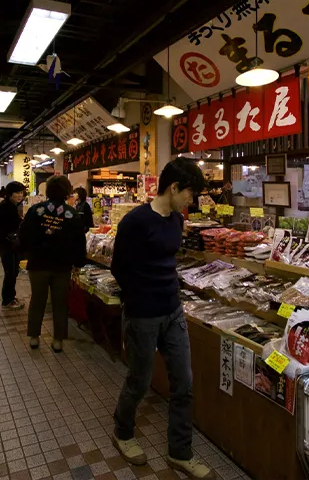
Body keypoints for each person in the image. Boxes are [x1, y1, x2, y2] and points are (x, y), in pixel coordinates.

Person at [110, 158, 213, 479]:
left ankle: (179, 453)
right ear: (174, 188)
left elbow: (169, 262)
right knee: (139, 380)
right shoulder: (135, 222)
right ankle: (123, 432)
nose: (191, 202)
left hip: (173, 311)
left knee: (184, 383)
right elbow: (118, 268)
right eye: (190, 194)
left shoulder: (175, 221)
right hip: (142, 314)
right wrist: (140, 296)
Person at [20, 176, 86, 352]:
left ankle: (34, 337)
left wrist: (29, 252)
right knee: (60, 303)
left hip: (38, 263)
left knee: (37, 300)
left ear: (48, 191)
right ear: (66, 191)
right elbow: (79, 241)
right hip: (62, 266)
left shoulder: (35, 210)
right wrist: (79, 262)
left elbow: (24, 235)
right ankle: (58, 341)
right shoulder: (72, 214)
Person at [0, 181, 26, 310]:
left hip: (9, 244)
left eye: (21, 193)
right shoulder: (6, 206)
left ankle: (11, 297)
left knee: (13, 272)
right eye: (17, 193)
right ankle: (7, 301)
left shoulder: (12, 205)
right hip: (7, 244)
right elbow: (12, 225)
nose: (20, 195)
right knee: (10, 272)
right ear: (9, 194)